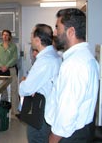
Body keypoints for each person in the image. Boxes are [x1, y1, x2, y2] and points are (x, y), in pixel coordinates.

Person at [45, 8, 99, 143]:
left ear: (71, 32)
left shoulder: (74, 64)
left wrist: (54, 137)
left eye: (58, 28)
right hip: (81, 131)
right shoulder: (87, 57)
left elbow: (67, 111)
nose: (55, 33)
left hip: (68, 135)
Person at [19, 24, 62, 143]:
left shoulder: (44, 61)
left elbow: (25, 89)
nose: (30, 39)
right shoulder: (55, 56)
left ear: (38, 40)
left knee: (36, 139)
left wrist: (24, 83)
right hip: (50, 110)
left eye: (32, 36)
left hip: (42, 113)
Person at [0, 29, 18, 115]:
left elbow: (14, 58)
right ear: (1, 36)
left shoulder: (13, 46)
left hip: (11, 69)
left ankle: (15, 110)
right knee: (2, 90)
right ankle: (3, 108)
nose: (5, 36)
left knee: (14, 89)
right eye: (3, 35)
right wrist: (1, 66)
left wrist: (7, 66)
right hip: (1, 69)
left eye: (7, 35)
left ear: (9, 37)